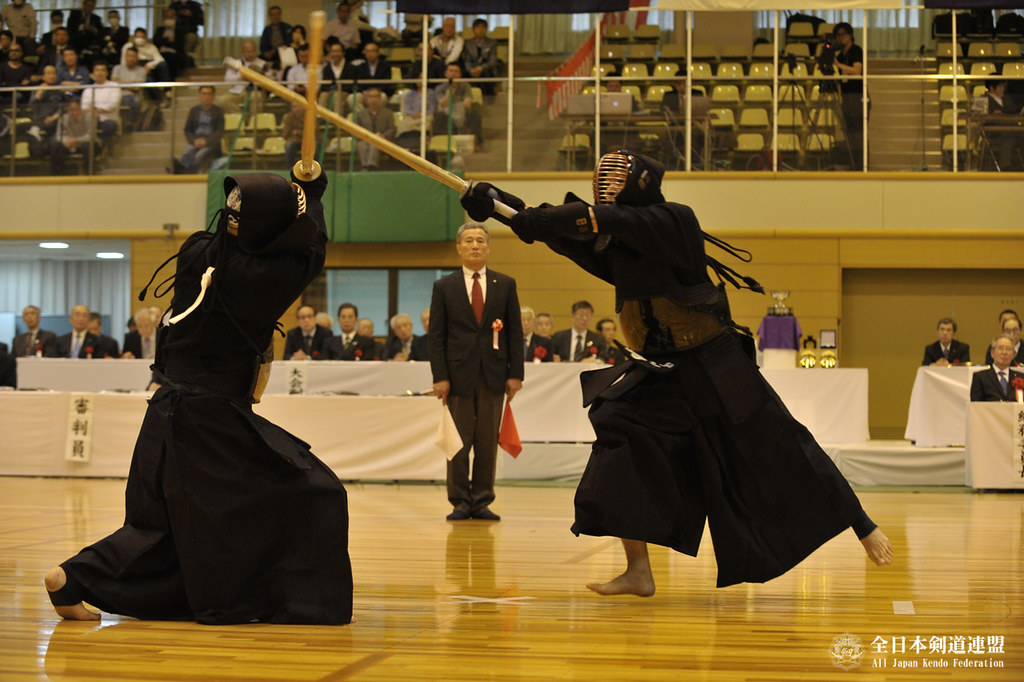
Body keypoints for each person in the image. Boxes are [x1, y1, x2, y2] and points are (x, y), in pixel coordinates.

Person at [460, 149, 893, 594]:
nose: (606, 189)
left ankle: (861, 524)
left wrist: (543, 218)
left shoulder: (673, 222)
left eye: (615, 181)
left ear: (641, 182)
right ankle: (639, 571)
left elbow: (589, 221)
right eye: (602, 183)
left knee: (780, 441)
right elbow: (554, 230)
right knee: (617, 427)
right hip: (662, 370)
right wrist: (497, 205)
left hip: (716, 362)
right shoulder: (617, 244)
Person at [44, 168, 353, 625]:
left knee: (165, 525)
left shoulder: (196, 253)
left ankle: (72, 578)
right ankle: (290, 599)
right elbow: (312, 247)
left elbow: (281, 241)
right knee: (314, 493)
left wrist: (297, 192)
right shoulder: (266, 278)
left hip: (168, 412)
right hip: (213, 422)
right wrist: (311, 188)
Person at [428, 222, 524, 521]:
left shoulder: (505, 284)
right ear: (459, 247)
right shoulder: (445, 286)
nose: (475, 245)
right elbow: (437, 336)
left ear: (488, 247)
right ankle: (459, 500)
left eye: (480, 240)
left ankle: (481, 499)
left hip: (494, 376)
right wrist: (440, 377)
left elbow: (514, 333)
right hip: (456, 377)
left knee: (486, 442)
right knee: (458, 442)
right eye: (468, 240)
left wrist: (515, 374)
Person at [832, 22, 867, 170]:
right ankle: (853, 164)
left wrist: (837, 64)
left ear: (850, 35)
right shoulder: (840, 55)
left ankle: (861, 165)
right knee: (850, 134)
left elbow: (857, 71)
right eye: (838, 35)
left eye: (843, 35)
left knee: (858, 134)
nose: (840, 38)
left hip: (858, 96)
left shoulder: (856, 50)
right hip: (846, 97)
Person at [432, 62, 482, 148]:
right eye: (450, 71)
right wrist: (450, 91)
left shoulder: (465, 86)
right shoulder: (440, 88)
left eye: (456, 71)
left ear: (460, 75)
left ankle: (477, 143)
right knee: (439, 116)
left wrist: (456, 106)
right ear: (446, 74)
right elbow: (443, 105)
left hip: (462, 113)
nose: (453, 73)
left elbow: (467, 103)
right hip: (446, 114)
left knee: (475, 114)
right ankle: (442, 145)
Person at [176, 85, 223, 173]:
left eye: (209, 94)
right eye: (204, 94)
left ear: (213, 96)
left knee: (199, 156)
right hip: (196, 140)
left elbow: (219, 132)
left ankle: (185, 173)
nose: (206, 97)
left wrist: (207, 141)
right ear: (200, 95)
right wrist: (194, 141)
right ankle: (181, 171)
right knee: (188, 152)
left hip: (211, 143)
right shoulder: (194, 111)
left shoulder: (218, 111)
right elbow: (187, 130)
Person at [980, 80, 1022, 172]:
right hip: (994, 133)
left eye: (1003, 87)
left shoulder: (1006, 99)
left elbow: (1013, 112)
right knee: (1007, 139)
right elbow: (979, 116)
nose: (1003, 89)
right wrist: (992, 114)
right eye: (1000, 87)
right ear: (991, 88)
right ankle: (1005, 167)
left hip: (1011, 130)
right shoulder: (983, 99)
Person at [50, 98, 98, 174]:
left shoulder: (89, 117)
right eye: (72, 110)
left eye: (77, 109)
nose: (74, 112)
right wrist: (67, 141)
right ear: (68, 109)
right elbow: (59, 135)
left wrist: (77, 140)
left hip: (85, 143)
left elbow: (91, 135)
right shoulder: (63, 118)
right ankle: (58, 175)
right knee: (55, 145)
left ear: (81, 109)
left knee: (88, 146)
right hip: (68, 144)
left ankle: (90, 174)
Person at [217, 40, 266, 114]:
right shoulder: (235, 63)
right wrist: (241, 76)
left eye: (252, 51)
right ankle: (241, 119)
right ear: (243, 52)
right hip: (237, 91)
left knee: (256, 97)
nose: (250, 54)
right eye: (248, 52)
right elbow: (227, 79)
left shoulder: (262, 63)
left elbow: (269, 79)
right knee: (222, 101)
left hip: (255, 90)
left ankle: (253, 122)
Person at [80, 61, 120, 148]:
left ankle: (99, 146)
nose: (99, 73)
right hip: (91, 120)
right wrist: (93, 113)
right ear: (93, 73)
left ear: (107, 73)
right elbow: (84, 107)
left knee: (110, 125)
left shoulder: (114, 86)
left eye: (102, 70)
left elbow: (112, 104)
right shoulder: (88, 89)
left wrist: (94, 110)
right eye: (97, 70)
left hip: (108, 119)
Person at [354, 86, 395, 170]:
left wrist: (384, 136)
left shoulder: (388, 113)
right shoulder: (360, 114)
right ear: (366, 99)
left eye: (376, 96)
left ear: (380, 99)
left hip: (382, 140)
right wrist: (363, 136)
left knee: (375, 142)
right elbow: (355, 129)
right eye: (371, 97)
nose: (373, 99)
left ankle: (371, 167)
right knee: (361, 144)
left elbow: (392, 129)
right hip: (365, 139)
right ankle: (365, 166)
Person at [971, 335, 1021, 402]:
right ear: (992, 353)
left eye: (1008, 349)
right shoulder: (981, 377)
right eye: (1000, 348)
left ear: (1013, 355)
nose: (1004, 352)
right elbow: (975, 405)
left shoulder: (1021, 377)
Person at [111, 46, 145, 130]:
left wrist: (122, 83)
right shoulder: (117, 68)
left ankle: (130, 123)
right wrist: (132, 84)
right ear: (125, 57)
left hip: (134, 96)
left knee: (135, 101)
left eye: (133, 56)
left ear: (137, 58)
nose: (131, 59)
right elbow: (114, 83)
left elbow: (138, 88)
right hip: (119, 96)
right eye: (129, 56)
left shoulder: (142, 70)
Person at [462, 18, 497, 96]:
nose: (480, 30)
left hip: (486, 69)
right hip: (472, 69)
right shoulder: (468, 43)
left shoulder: (492, 43)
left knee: (486, 74)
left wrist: (481, 68)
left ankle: (489, 98)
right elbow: (466, 60)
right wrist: (471, 70)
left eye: (483, 27)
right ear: (474, 30)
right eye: (478, 27)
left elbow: (492, 61)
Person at [153, 8, 186, 80]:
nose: (168, 19)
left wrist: (164, 42)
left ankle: (170, 85)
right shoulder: (160, 29)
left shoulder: (180, 31)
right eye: (167, 17)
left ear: (175, 18)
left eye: (170, 17)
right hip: (160, 53)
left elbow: (179, 45)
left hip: (174, 55)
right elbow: (156, 42)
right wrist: (168, 40)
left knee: (171, 60)